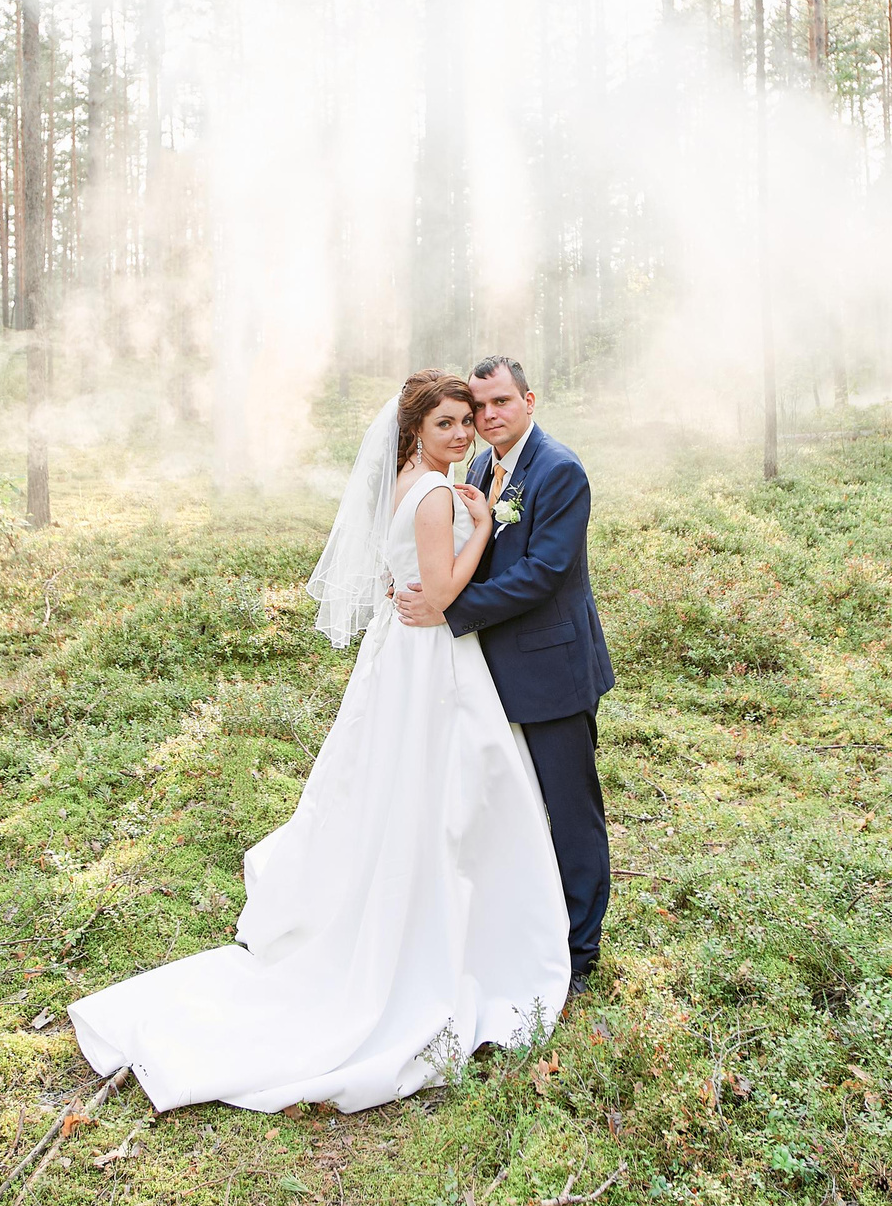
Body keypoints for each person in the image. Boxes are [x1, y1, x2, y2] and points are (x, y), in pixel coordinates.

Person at [68, 373, 570, 1114]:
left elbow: (404, 574)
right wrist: (487, 525)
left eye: (468, 420)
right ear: (414, 432)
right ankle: (450, 931)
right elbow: (438, 596)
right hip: (432, 657)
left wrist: (466, 511)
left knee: (408, 785)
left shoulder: (411, 483)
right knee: (446, 789)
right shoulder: (435, 493)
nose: (463, 434)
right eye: (447, 424)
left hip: (399, 655)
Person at [396, 356, 613, 993]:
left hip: (552, 670)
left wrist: (448, 607)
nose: (487, 418)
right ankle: (519, 928)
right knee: (506, 809)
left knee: (569, 810)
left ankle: (579, 953)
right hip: (490, 671)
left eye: (499, 404)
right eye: (477, 408)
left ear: (529, 401)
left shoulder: (560, 470)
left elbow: (543, 573)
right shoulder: (485, 465)